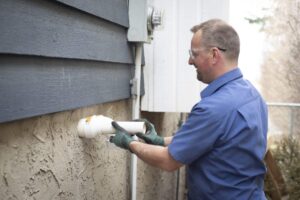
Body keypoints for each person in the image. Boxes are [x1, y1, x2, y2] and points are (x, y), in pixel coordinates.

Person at [110, 19, 268, 200]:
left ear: (214, 55)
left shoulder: (213, 108)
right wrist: (160, 141)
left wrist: (130, 143)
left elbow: (168, 161)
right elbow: (213, 137)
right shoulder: (253, 96)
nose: (189, 61)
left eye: (194, 54)